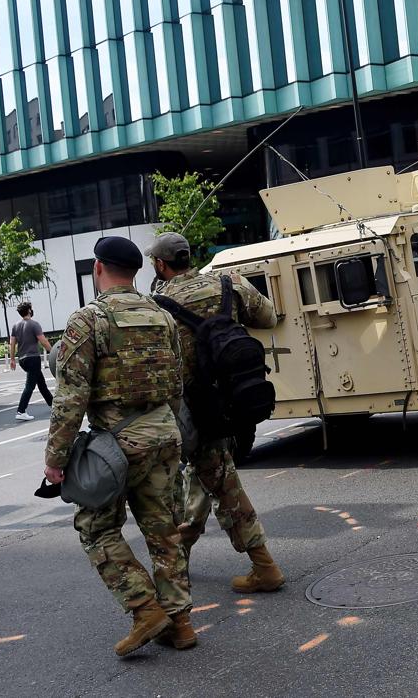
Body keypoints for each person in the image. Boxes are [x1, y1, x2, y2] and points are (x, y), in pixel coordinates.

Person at [42, 236, 193, 657]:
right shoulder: (161, 315)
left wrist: (55, 461)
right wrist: (169, 429)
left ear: (97, 268)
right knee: (164, 531)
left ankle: (145, 608)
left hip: (119, 444)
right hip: (166, 433)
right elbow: (177, 383)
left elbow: (70, 398)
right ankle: (180, 623)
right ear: (136, 272)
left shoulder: (88, 320)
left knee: (95, 528)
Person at [145, 232, 285, 593]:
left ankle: (182, 575)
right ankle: (251, 562)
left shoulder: (158, 304)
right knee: (216, 477)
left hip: (191, 410)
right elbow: (269, 318)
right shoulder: (228, 283)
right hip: (234, 400)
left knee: (197, 487)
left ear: (161, 265)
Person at [8, 301, 53, 421]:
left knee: (41, 383)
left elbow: (12, 343)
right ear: (28, 310)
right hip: (33, 358)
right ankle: (21, 411)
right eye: (31, 308)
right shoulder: (34, 324)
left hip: (22, 359)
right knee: (30, 386)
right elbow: (43, 341)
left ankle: (52, 404)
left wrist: (12, 359)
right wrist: (53, 353)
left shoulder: (15, 326)